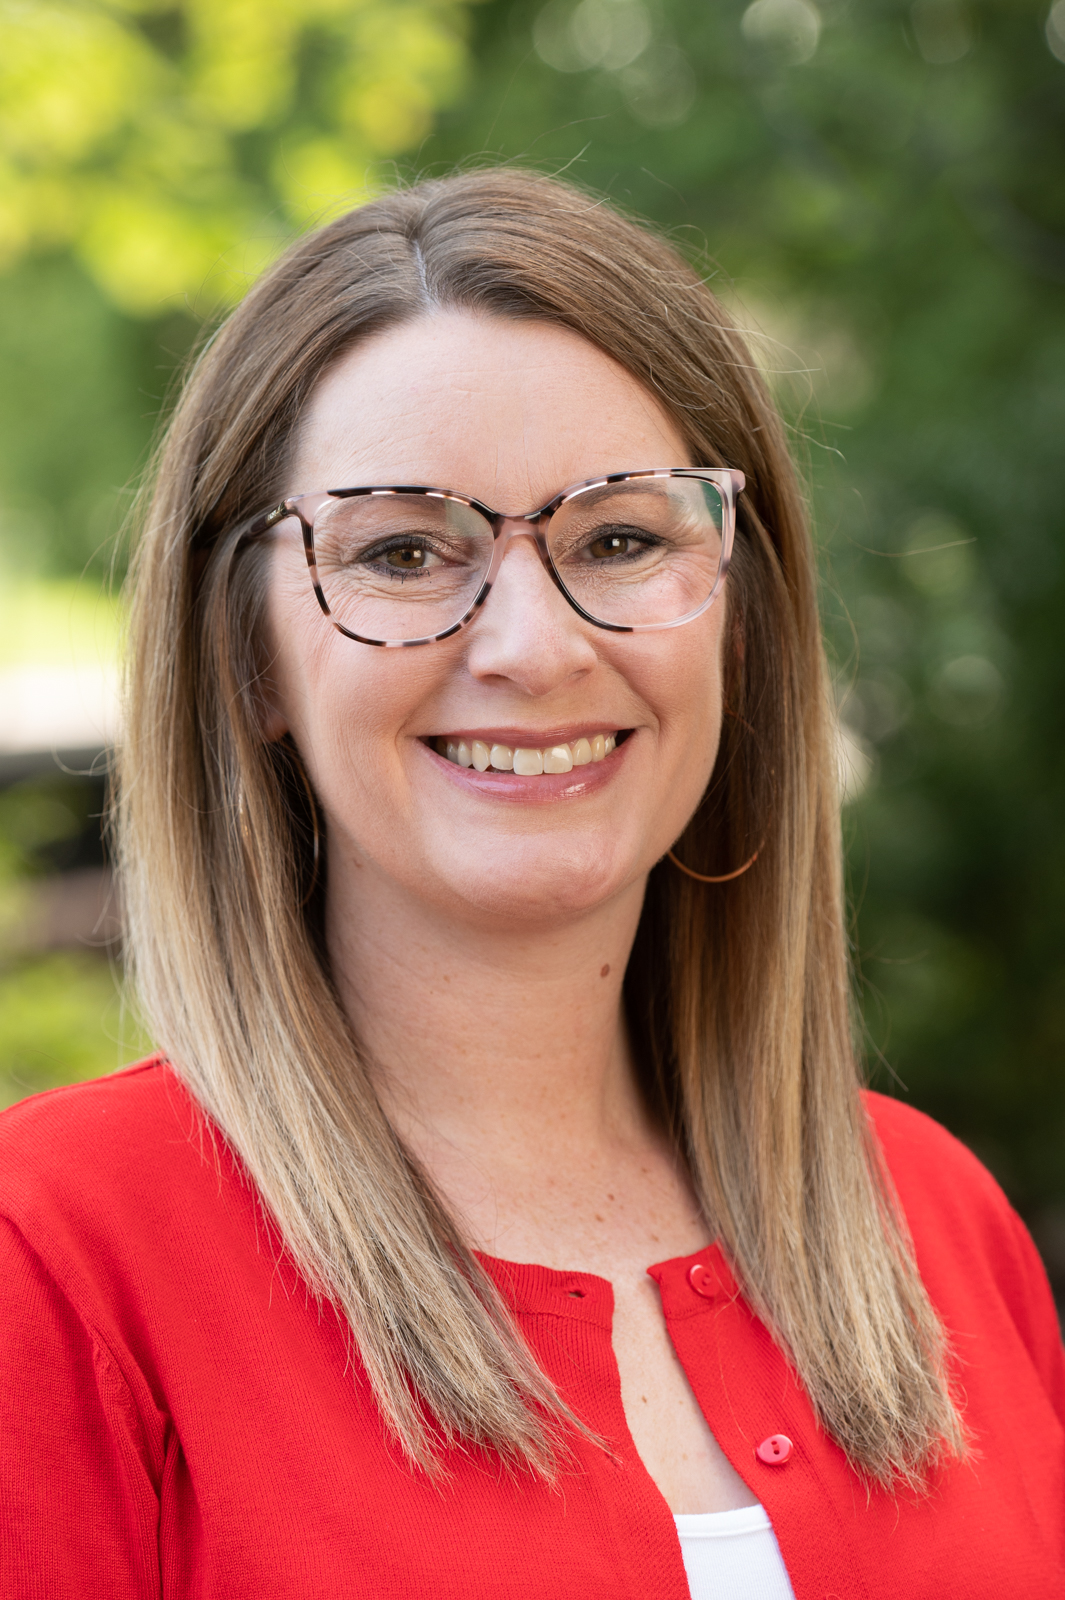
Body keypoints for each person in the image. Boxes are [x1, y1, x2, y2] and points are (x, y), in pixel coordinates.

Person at [1, 169, 1062, 1600]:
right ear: (245, 652)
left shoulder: (934, 1221)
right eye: (401, 551)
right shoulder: (54, 1265)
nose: (531, 643)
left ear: (736, 616)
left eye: (619, 539)